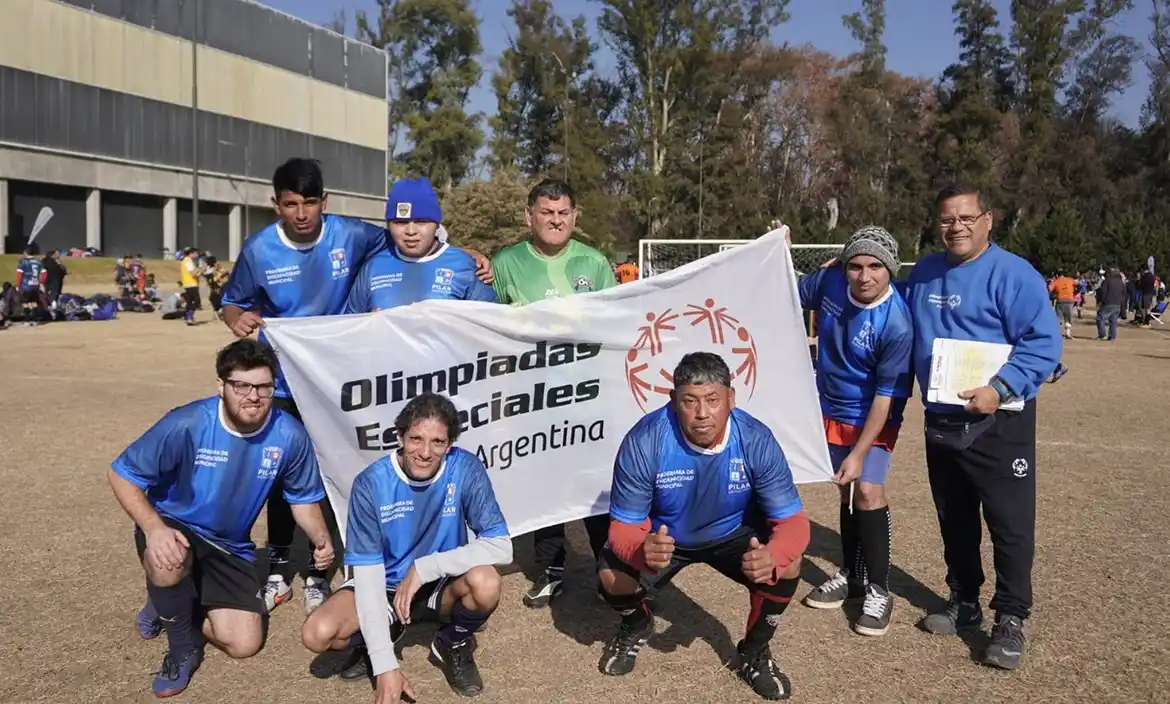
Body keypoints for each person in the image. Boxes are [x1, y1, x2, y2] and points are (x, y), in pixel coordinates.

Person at [221, 158, 495, 616]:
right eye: (291, 204)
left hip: (384, 388)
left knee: (373, 468)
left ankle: (351, 566)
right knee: (290, 471)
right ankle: (284, 568)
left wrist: (463, 252)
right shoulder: (261, 249)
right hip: (295, 376)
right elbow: (234, 301)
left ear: (324, 203)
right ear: (277, 206)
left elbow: (480, 311)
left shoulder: (356, 235)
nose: (302, 212)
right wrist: (236, 317)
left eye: (310, 202)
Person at [107, 339, 334, 697]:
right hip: (174, 524)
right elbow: (122, 474)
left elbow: (303, 499)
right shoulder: (188, 423)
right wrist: (153, 528)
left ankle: (169, 601)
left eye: (263, 386)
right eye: (241, 385)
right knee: (169, 558)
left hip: (230, 545)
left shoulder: (289, 434)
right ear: (222, 386)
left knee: (244, 644)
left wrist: (320, 538)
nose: (253, 396)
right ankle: (182, 649)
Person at [905, 183, 1061, 670]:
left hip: (1000, 420)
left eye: (966, 218)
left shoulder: (1016, 275)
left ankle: (1011, 617)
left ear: (988, 219)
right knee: (955, 517)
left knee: (1009, 524)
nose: (957, 227)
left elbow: (1043, 344)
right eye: (948, 219)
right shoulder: (925, 273)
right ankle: (965, 600)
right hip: (942, 417)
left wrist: (1001, 386)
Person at [598, 352, 808, 700]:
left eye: (713, 400)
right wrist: (640, 550)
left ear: (731, 398)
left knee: (789, 564)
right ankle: (636, 623)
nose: (702, 413)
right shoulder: (644, 439)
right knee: (611, 577)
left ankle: (754, 653)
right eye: (689, 401)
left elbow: (793, 523)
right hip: (665, 540)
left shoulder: (755, 438)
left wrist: (773, 553)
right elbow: (622, 527)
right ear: (673, 401)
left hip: (732, 533)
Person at [301, 392, 510, 701]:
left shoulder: (464, 468)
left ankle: (451, 642)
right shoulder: (371, 483)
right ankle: (380, 638)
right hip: (385, 586)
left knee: (487, 582)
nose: (425, 452)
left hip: (442, 584)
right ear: (399, 436)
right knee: (316, 634)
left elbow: (501, 547)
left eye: (438, 442)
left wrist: (425, 567)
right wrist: (385, 665)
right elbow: (369, 575)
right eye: (415, 439)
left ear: (449, 444)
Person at [490, 178, 618, 607]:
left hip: (588, 398)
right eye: (546, 212)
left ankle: (609, 566)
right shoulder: (505, 264)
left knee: (597, 486)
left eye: (563, 213)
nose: (556, 220)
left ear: (574, 217)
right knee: (545, 487)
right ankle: (552, 568)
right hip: (533, 401)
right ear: (529, 217)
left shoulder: (595, 263)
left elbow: (617, 324)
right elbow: (482, 329)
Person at [795, 226, 913, 637]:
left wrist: (860, 451)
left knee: (867, 490)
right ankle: (852, 575)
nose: (864, 275)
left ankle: (879, 590)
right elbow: (783, 290)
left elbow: (884, 398)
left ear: (890, 270)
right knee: (846, 491)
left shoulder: (896, 322)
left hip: (874, 418)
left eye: (875, 266)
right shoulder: (830, 281)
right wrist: (779, 249)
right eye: (856, 265)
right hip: (829, 409)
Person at [344, 177, 497, 313]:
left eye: (421, 222)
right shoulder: (373, 268)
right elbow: (351, 326)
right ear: (388, 225)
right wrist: (367, 324)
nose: (411, 231)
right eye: (401, 223)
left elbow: (491, 326)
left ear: (437, 224)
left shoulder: (466, 266)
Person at [15, 245, 46, 324]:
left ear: (25, 253)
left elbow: (19, 275)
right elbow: (44, 273)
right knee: (34, 302)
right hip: (35, 284)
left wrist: (18, 285)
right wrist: (41, 283)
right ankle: (35, 320)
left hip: (26, 285)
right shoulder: (39, 261)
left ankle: (28, 320)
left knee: (26, 303)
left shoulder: (22, 262)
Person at [1095, 267, 1126, 341]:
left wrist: (1101, 300)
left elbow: (1103, 291)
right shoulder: (1121, 282)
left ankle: (1102, 335)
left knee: (1100, 318)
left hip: (1108, 302)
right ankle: (1112, 336)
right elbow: (1124, 293)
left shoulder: (1107, 280)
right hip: (1118, 303)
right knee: (1113, 321)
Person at [1048, 270, 1076, 339]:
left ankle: (1057, 333)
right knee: (1068, 317)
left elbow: (1049, 289)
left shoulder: (1056, 281)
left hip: (1060, 300)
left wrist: (1054, 294)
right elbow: (1079, 285)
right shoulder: (1070, 280)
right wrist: (1074, 293)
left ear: (1057, 275)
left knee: (1058, 317)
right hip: (1070, 300)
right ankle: (1068, 333)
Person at [179, 247, 202, 326]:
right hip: (191, 284)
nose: (197, 255)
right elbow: (193, 273)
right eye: (196, 254)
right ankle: (189, 317)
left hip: (188, 284)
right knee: (196, 301)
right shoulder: (188, 261)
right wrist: (200, 268)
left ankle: (188, 316)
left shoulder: (186, 261)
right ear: (191, 253)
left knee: (189, 302)